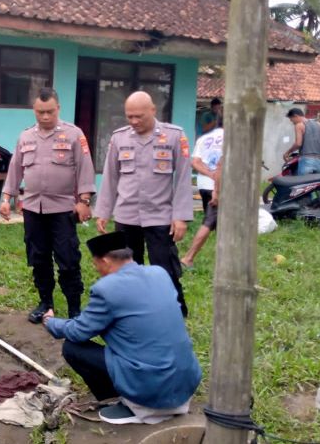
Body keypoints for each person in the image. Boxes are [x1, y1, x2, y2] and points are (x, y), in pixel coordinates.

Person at [43, 231, 201, 425]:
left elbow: (78, 331)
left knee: (73, 348)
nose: (97, 270)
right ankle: (139, 396)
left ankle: (127, 402)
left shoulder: (107, 289)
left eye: (96, 264)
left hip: (152, 385)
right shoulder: (159, 273)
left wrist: (51, 322)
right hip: (185, 381)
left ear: (105, 261)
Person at [0, 88, 96, 323]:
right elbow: (15, 169)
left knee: (68, 259)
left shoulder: (74, 134)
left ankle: (74, 308)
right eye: (40, 112)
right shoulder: (26, 136)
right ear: (34, 110)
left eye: (50, 112)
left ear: (58, 109)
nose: (45, 116)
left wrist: (84, 201)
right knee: (38, 257)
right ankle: (45, 303)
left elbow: (85, 168)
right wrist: (6, 198)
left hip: (63, 209)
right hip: (33, 208)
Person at [95, 91, 193, 317]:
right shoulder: (119, 138)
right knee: (128, 268)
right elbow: (110, 176)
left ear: (153, 111)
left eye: (139, 116)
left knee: (164, 268)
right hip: (126, 215)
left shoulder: (174, 136)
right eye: (129, 116)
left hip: (159, 216)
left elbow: (183, 178)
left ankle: (174, 310)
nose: (134, 121)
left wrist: (180, 216)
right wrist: (103, 211)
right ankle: (135, 310)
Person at [181, 117, 223, 268]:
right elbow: (221, 165)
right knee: (210, 220)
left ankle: (222, 255)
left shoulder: (204, 139)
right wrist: (217, 187)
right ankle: (188, 258)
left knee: (217, 220)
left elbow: (195, 162)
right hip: (219, 187)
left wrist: (209, 175)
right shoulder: (232, 139)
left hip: (204, 185)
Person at [284, 108, 320, 175]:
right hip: (319, 161)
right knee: (317, 182)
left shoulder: (299, 125)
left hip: (306, 161)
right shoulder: (319, 125)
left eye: (291, 120)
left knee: (302, 182)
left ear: (295, 116)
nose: (292, 122)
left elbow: (298, 144)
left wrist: (287, 153)